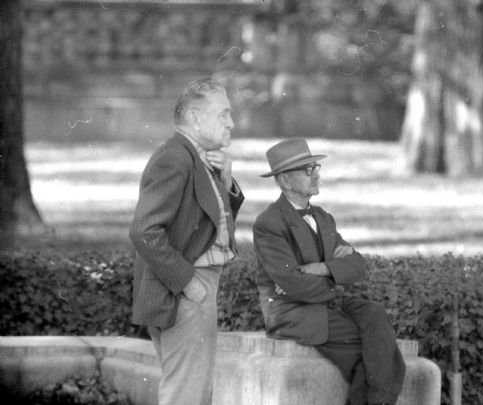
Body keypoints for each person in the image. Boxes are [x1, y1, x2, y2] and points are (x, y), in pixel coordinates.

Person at [253, 138, 405, 405]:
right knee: (376, 357)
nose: (317, 174)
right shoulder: (270, 223)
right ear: (285, 182)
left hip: (326, 303)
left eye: (315, 167)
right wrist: (335, 279)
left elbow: (357, 264)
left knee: (375, 314)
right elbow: (292, 282)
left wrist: (321, 268)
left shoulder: (323, 218)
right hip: (292, 310)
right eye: (307, 170)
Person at [129, 77, 244, 405]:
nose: (231, 123)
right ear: (195, 119)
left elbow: (205, 221)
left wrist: (224, 181)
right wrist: (187, 282)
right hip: (184, 290)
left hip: (191, 289)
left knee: (192, 394)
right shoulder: (174, 158)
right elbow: (144, 232)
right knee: (186, 397)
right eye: (223, 114)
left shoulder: (196, 157)